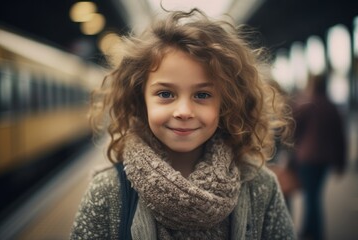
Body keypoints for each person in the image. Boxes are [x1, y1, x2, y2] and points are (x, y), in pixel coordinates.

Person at [70, 9, 296, 239]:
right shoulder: (108, 192)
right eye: (166, 94)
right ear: (140, 99)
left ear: (226, 103)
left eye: (202, 95)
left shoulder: (261, 187)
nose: (184, 112)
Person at [292, 74, 346, 240]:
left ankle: (315, 232)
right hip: (325, 159)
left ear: (312, 85)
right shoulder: (332, 106)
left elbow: (293, 129)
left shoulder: (307, 105)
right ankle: (310, 228)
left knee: (312, 195)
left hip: (307, 158)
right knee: (314, 194)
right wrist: (340, 162)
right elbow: (340, 136)